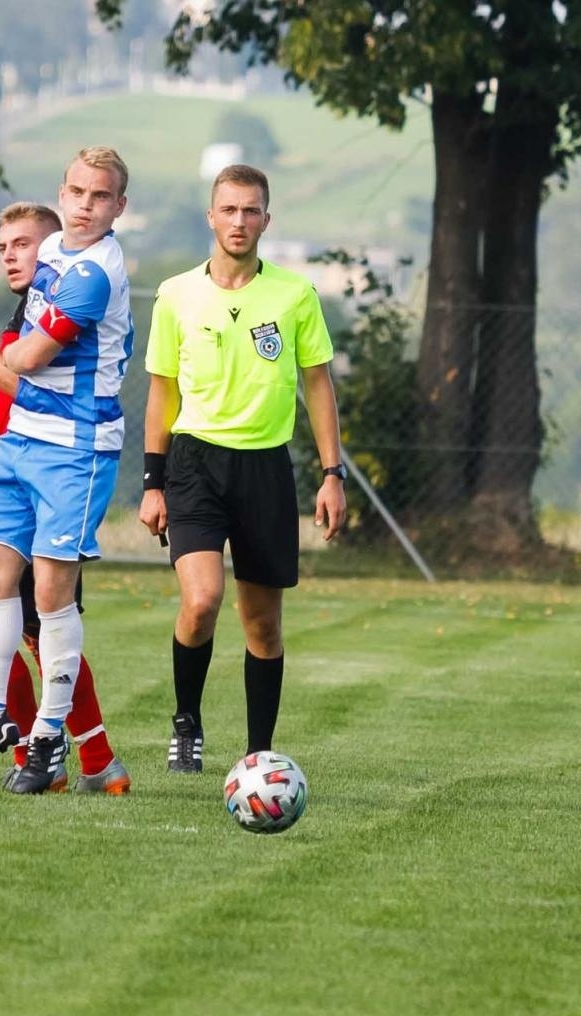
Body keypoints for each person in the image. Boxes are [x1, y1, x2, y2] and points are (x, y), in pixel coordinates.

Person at [0, 146, 135, 794]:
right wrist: (12, 357)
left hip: (76, 446)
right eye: (76, 191)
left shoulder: (95, 273)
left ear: (118, 208)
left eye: (100, 197)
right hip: (23, 437)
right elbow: (22, 359)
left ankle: (48, 737)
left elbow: (23, 358)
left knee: (49, 594)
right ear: (62, 191)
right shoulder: (51, 255)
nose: (85, 204)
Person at [138, 164, 346, 773]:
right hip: (194, 464)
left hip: (265, 469)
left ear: (266, 220)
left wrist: (332, 474)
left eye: (250, 210)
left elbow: (318, 384)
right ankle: (186, 723)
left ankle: (258, 755)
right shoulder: (176, 294)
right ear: (211, 216)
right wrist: (153, 482)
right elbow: (161, 393)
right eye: (228, 209)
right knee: (201, 602)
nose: (239, 221)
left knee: (262, 624)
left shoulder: (294, 294)